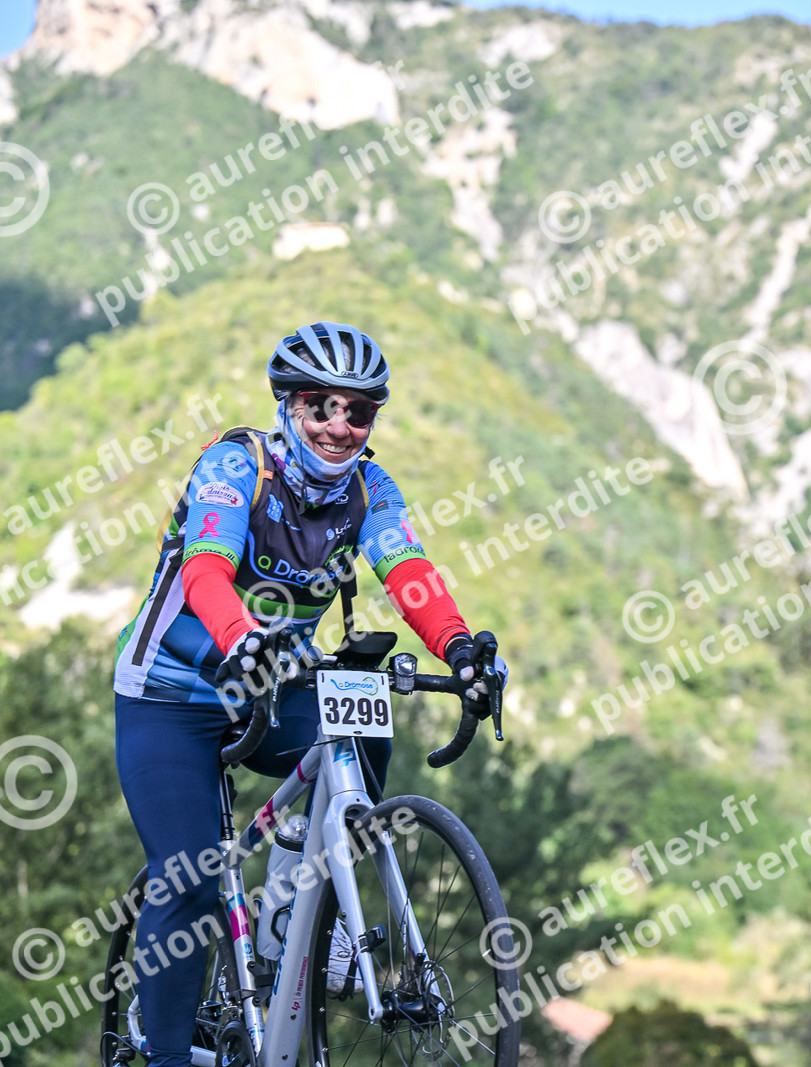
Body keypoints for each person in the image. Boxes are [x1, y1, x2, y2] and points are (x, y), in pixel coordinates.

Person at [112, 321, 499, 1067]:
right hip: (172, 691)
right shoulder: (237, 466)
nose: (339, 425)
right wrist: (240, 636)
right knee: (190, 877)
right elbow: (205, 570)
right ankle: (164, 1055)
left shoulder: (370, 489)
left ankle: (305, 906)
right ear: (288, 404)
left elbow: (409, 573)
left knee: (362, 715)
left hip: (273, 679)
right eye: (322, 404)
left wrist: (459, 647)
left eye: (360, 411)